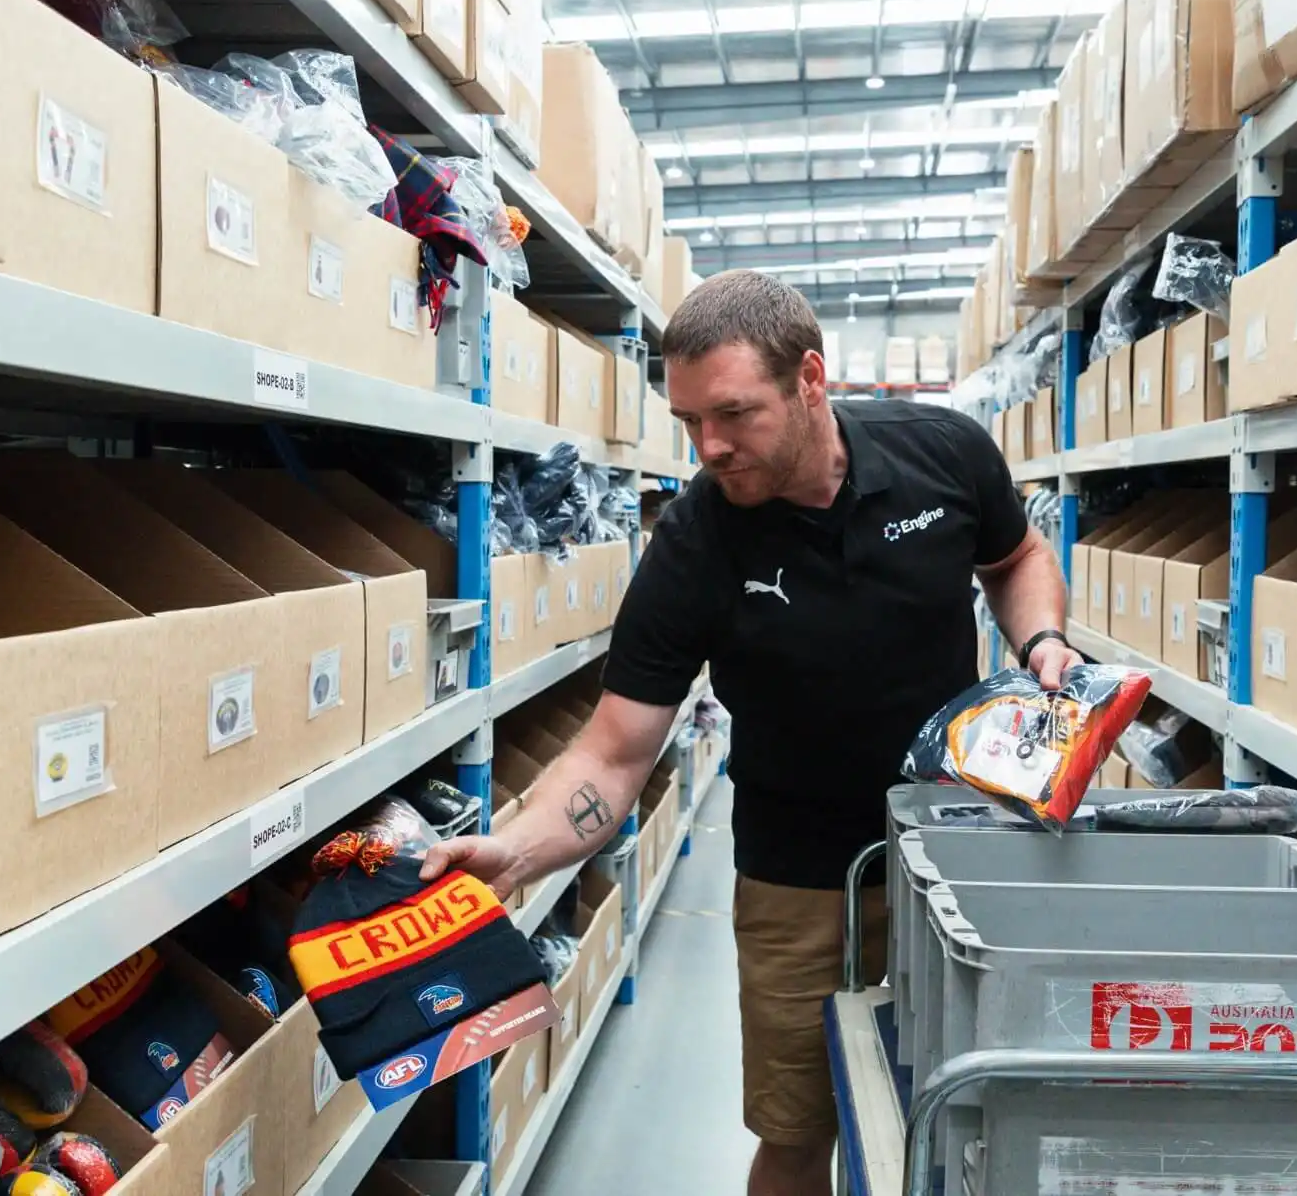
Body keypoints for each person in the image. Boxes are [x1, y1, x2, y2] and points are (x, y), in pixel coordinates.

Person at [422, 271, 1077, 1196]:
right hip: (795, 882)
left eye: (732, 414)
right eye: (690, 421)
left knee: (961, 1112)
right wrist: (517, 853)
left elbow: (1015, 556)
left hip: (959, 854)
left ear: (811, 378)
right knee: (797, 1130)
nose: (710, 446)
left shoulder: (943, 452)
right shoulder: (693, 545)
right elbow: (614, 753)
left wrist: (1040, 639)